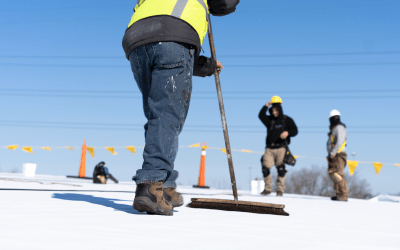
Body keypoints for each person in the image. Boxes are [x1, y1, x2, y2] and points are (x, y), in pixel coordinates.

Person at [122, 0, 240, 215]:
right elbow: (225, 3)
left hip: (137, 38)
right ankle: (151, 184)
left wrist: (206, 66)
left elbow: (166, 43)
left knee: (157, 113)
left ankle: (165, 185)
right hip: (173, 34)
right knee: (167, 115)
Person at [258, 96, 298, 196]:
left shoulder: (287, 120)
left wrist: (287, 133)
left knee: (281, 168)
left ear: (280, 110)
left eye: (276, 110)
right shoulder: (269, 120)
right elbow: (261, 116)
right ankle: (267, 189)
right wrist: (266, 106)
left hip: (282, 148)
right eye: (273, 110)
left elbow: (295, 130)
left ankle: (280, 190)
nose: (274, 112)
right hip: (269, 148)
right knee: (265, 168)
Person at [327, 109, 348, 201]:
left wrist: (332, 153)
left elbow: (340, 142)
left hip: (338, 155)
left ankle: (343, 195)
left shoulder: (339, 128)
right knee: (333, 174)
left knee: (338, 174)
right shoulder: (334, 129)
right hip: (334, 155)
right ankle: (338, 194)